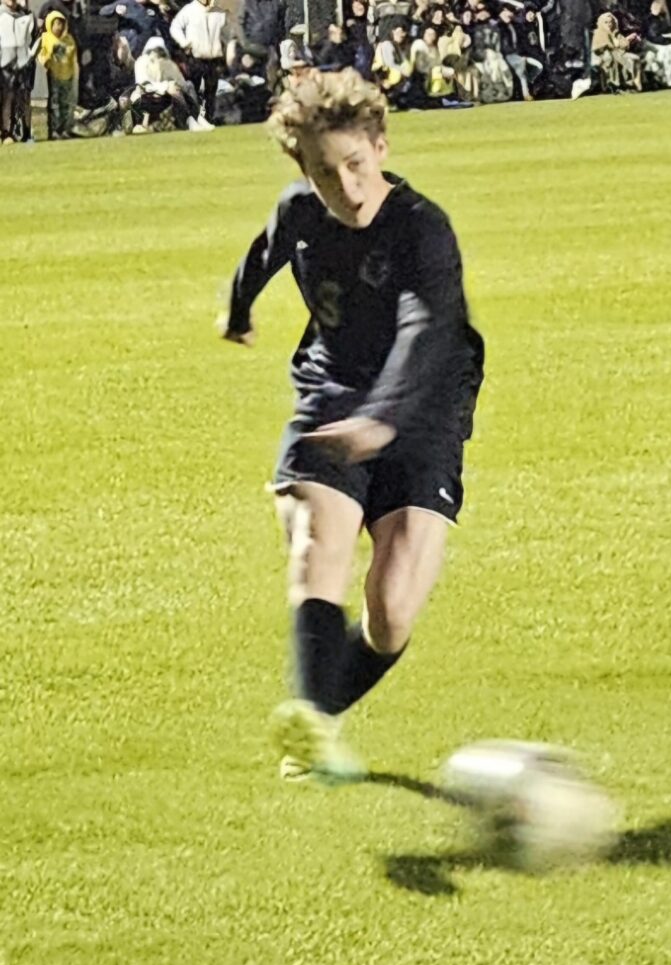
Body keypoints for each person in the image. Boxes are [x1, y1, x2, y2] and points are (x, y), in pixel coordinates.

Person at [221, 68, 484, 783]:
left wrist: (383, 419)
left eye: (357, 165)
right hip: (332, 394)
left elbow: (424, 331)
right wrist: (238, 311)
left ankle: (320, 710)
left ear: (381, 146)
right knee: (318, 543)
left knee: (392, 612)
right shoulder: (300, 211)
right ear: (302, 171)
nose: (347, 188)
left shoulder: (424, 231)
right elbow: (262, 254)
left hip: (425, 406)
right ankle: (311, 731)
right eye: (325, 173)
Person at [0, 0, 38, 144]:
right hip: (5, 65)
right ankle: (6, 133)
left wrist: (31, 55)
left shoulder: (27, 16)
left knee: (25, 98)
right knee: (7, 99)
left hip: (24, 64)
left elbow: (35, 37)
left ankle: (27, 132)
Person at [38, 9, 78, 138]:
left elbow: (73, 58)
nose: (59, 27)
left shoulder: (69, 39)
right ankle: (54, 131)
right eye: (56, 24)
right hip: (53, 76)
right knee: (54, 105)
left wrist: (75, 73)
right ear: (50, 24)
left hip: (67, 76)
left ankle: (65, 129)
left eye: (61, 24)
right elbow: (41, 55)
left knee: (66, 105)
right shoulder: (46, 38)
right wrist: (48, 58)